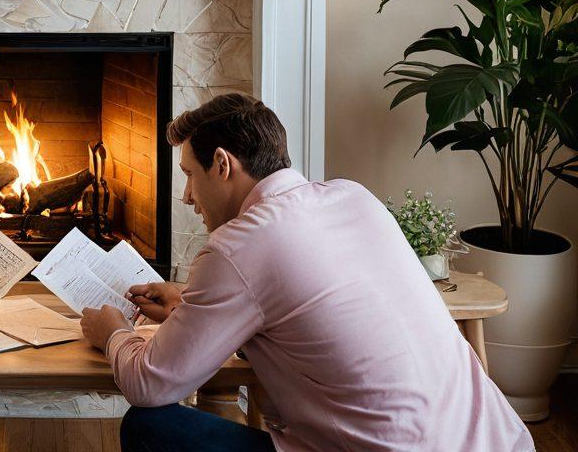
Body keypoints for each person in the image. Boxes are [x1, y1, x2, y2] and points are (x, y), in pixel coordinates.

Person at [79, 92, 532, 452]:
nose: (186, 196)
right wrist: (192, 304)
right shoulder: (354, 197)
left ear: (222, 164)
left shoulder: (238, 246)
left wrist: (114, 333)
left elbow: (149, 383)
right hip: (499, 441)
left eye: (189, 174)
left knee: (149, 425)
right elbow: (312, 308)